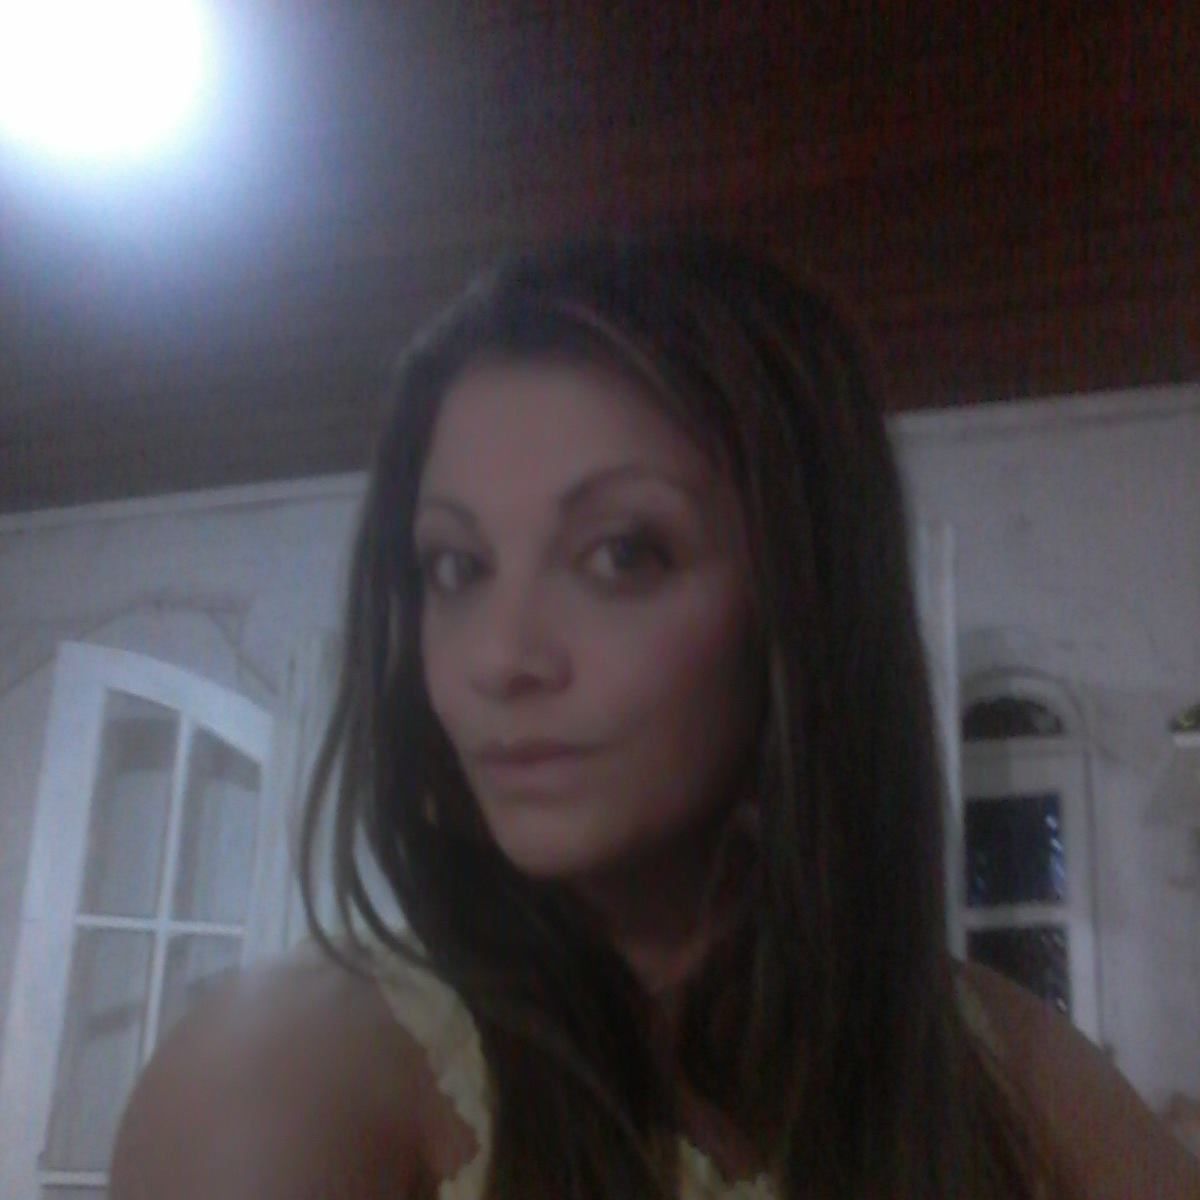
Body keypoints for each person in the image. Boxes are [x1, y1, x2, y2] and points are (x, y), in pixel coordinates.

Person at [111, 238, 1200, 1199]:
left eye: (621, 554)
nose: (501, 658)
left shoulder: (993, 1062)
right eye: (455, 566)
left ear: (805, 606)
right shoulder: (285, 1075)